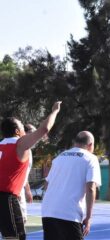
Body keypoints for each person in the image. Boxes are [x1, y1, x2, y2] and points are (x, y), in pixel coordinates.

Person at [0, 101, 61, 240]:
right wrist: (55, 111)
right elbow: (44, 129)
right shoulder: (19, 144)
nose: (24, 130)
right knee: (14, 238)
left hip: (6, 197)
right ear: (17, 131)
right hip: (7, 199)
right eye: (22, 127)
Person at [41, 131, 101, 240]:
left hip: (48, 211)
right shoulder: (91, 158)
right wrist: (88, 217)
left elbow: (47, 185)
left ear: (75, 142)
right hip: (69, 213)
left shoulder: (59, 157)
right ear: (90, 145)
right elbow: (91, 189)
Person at [19, 124, 37, 223]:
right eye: (33, 134)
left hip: (17, 189)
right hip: (15, 190)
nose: (36, 137)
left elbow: (23, 173)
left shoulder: (26, 150)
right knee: (21, 220)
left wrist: (28, 190)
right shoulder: (22, 148)